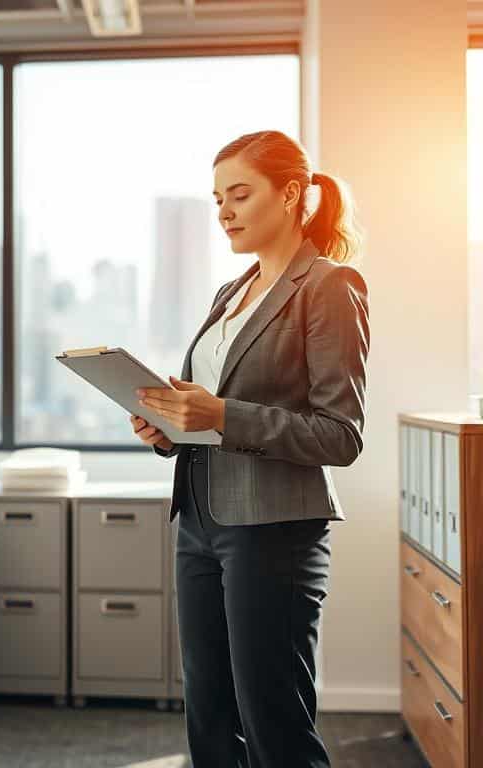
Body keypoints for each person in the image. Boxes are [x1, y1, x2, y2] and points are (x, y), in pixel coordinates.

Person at [130, 129, 370, 768]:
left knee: (274, 723)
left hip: (275, 528)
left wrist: (222, 415)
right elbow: (213, 412)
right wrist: (171, 427)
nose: (224, 212)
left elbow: (341, 435)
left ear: (291, 195)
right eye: (216, 200)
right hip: (201, 519)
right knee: (208, 714)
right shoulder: (230, 293)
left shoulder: (328, 286)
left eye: (240, 194)